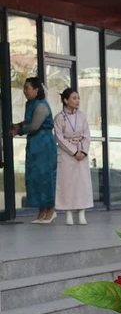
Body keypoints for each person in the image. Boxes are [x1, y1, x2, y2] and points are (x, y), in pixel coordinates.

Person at [10, 77, 56, 224]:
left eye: (27, 88)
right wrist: (17, 125)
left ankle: (51, 209)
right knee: (34, 176)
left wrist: (19, 131)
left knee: (45, 176)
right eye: (24, 88)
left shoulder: (42, 105)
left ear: (37, 90)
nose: (25, 91)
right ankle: (41, 210)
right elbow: (28, 121)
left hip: (44, 144)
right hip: (34, 144)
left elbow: (34, 125)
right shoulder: (29, 104)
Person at [53, 88, 93, 225]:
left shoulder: (82, 116)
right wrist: (73, 152)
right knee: (67, 184)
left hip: (81, 151)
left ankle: (82, 213)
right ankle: (68, 213)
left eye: (78, 98)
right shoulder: (59, 117)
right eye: (74, 98)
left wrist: (83, 151)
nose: (77, 101)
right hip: (67, 154)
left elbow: (87, 134)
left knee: (82, 183)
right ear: (66, 100)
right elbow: (59, 137)